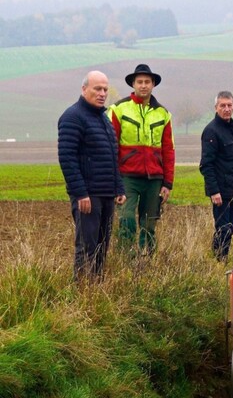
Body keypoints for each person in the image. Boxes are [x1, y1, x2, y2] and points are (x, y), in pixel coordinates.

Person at [57, 71, 126, 282]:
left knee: (102, 247)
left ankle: (96, 291)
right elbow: (67, 158)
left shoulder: (103, 119)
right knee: (86, 247)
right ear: (84, 89)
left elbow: (112, 156)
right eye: (97, 89)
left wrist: (119, 187)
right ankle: (82, 292)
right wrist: (80, 193)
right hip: (88, 196)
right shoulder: (72, 116)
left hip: (106, 193)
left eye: (105, 89)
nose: (102, 93)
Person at [108, 64, 175, 257]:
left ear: (153, 84)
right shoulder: (118, 109)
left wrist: (167, 183)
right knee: (127, 219)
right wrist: (114, 180)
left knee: (149, 224)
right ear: (133, 84)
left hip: (154, 179)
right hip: (127, 177)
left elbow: (169, 150)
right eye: (140, 82)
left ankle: (148, 263)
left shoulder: (163, 114)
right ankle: (125, 261)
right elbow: (111, 147)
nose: (143, 85)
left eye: (147, 82)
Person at [199, 91, 233, 261]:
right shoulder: (211, 131)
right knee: (223, 228)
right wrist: (214, 191)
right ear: (216, 108)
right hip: (220, 191)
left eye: (229, 105)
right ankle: (219, 260)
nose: (226, 109)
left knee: (231, 228)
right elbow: (206, 165)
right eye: (223, 105)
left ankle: (220, 258)